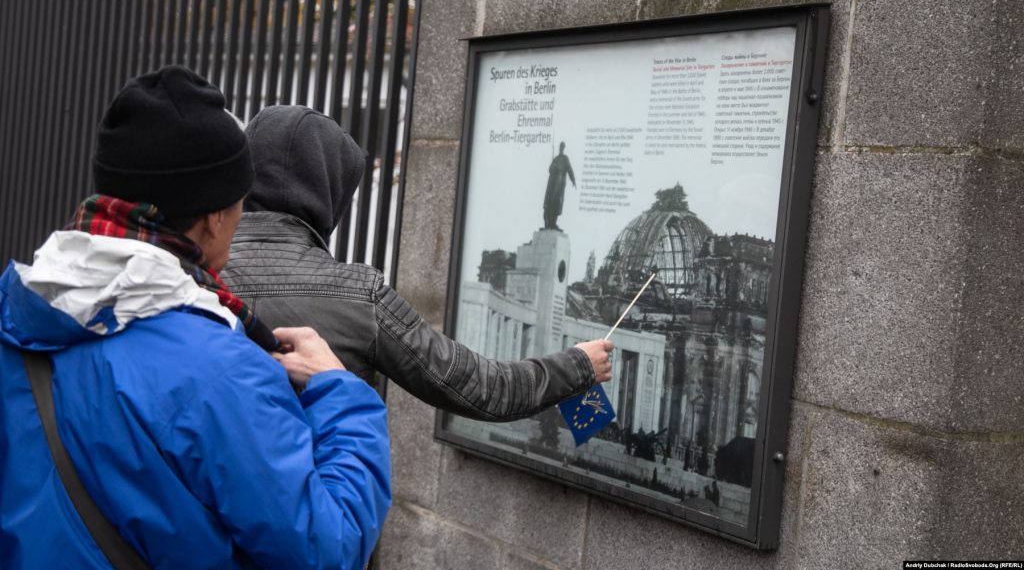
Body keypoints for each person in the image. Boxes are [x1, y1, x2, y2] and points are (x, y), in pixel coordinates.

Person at [0, 67, 390, 569]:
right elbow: (326, 548)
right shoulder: (221, 369)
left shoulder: (18, 310)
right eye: (239, 203)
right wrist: (339, 390)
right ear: (212, 217)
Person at [221, 106, 613, 422]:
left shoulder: (190, 273)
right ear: (329, 192)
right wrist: (578, 365)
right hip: (316, 512)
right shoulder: (358, 296)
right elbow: (485, 389)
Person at [543, 141, 576, 231]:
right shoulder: (555, 159)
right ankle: (548, 223)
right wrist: (554, 167)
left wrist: (573, 180)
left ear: (564, 148)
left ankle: (553, 223)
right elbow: (550, 169)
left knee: (557, 204)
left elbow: (570, 170)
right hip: (552, 184)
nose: (561, 148)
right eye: (560, 147)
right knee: (549, 204)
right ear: (559, 148)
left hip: (560, 185)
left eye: (563, 147)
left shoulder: (565, 159)